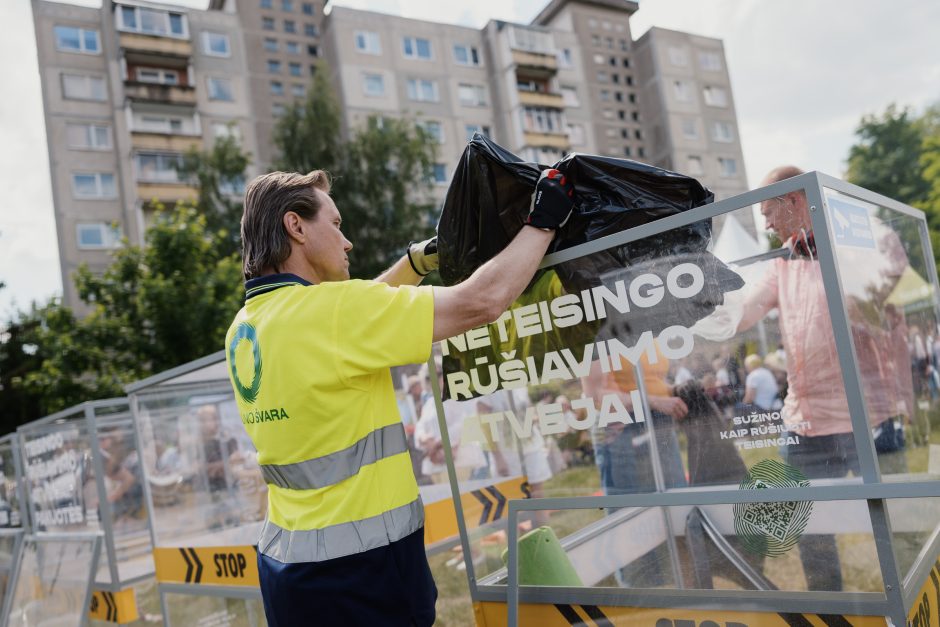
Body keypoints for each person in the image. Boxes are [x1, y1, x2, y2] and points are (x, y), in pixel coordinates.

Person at [225, 168, 575, 626]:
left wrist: (416, 261)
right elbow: (482, 301)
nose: (346, 241)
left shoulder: (245, 326)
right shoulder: (333, 312)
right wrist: (544, 222)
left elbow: (356, 318)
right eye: (335, 224)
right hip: (362, 574)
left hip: (286, 571)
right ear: (296, 226)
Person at [736, 165, 908, 591]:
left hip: (868, 418)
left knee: (902, 530)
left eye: (768, 213)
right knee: (812, 535)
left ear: (795, 200)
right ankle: (831, 614)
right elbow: (744, 312)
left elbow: (888, 270)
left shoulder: (859, 240)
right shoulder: (782, 265)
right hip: (806, 424)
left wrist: (835, 253)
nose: (766, 224)